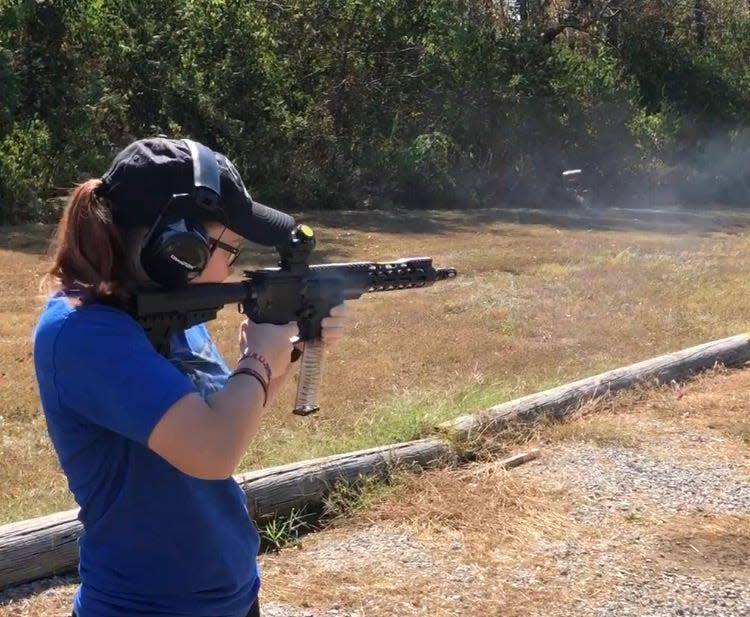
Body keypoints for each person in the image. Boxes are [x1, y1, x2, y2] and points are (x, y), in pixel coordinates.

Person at [32, 137, 346, 617]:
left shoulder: (174, 314)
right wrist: (258, 361)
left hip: (231, 594)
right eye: (232, 250)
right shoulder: (82, 332)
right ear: (179, 247)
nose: (234, 268)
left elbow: (224, 416)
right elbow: (211, 449)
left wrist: (275, 357)